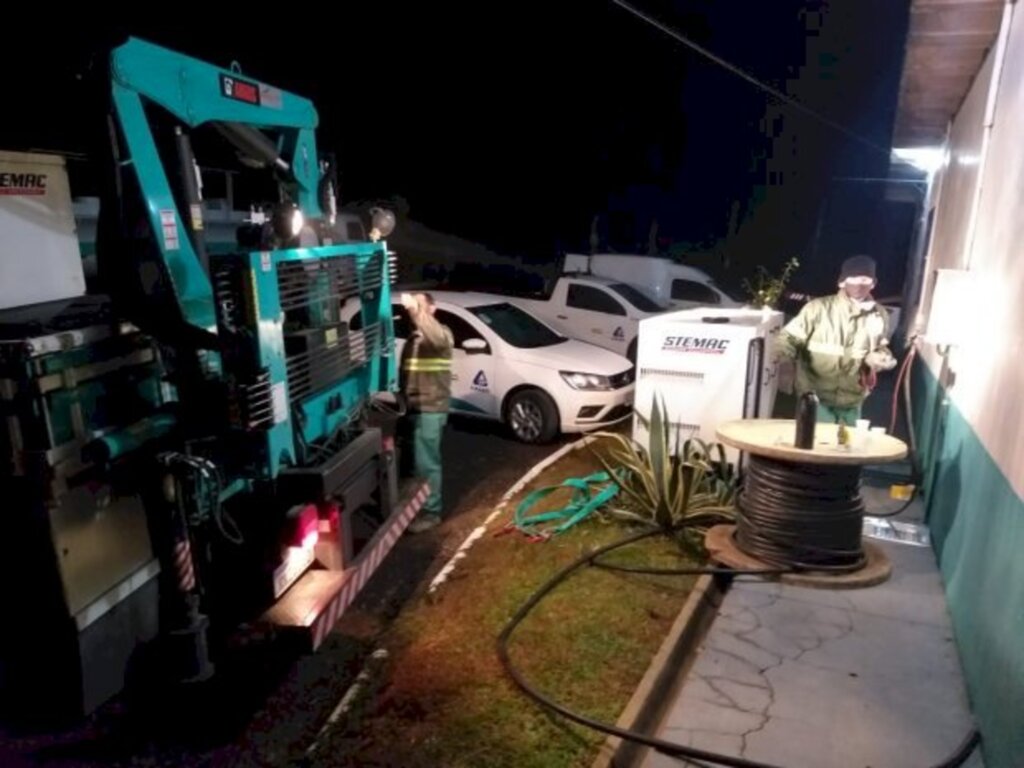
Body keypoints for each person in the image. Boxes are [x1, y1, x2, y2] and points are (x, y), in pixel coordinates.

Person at [777, 255, 896, 425]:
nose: (859, 284)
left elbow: (881, 346)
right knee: (817, 446)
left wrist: (881, 357)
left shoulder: (880, 314)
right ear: (842, 282)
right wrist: (785, 365)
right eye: (853, 278)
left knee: (845, 448)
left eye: (865, 279)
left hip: (853, 400)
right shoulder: (818, 308)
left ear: (873, 283)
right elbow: (787, 338)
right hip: (815, 398)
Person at [398, 292, 453, 533]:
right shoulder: (415, 338)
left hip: (430, 409)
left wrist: (416, 308)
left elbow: (437, 337)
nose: (414, 309)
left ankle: (431, 513)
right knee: (413, 465)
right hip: (415, 409)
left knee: (427, 465)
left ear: (432, 309)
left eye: (421, 304)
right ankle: (417, 507)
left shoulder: (440, 335)